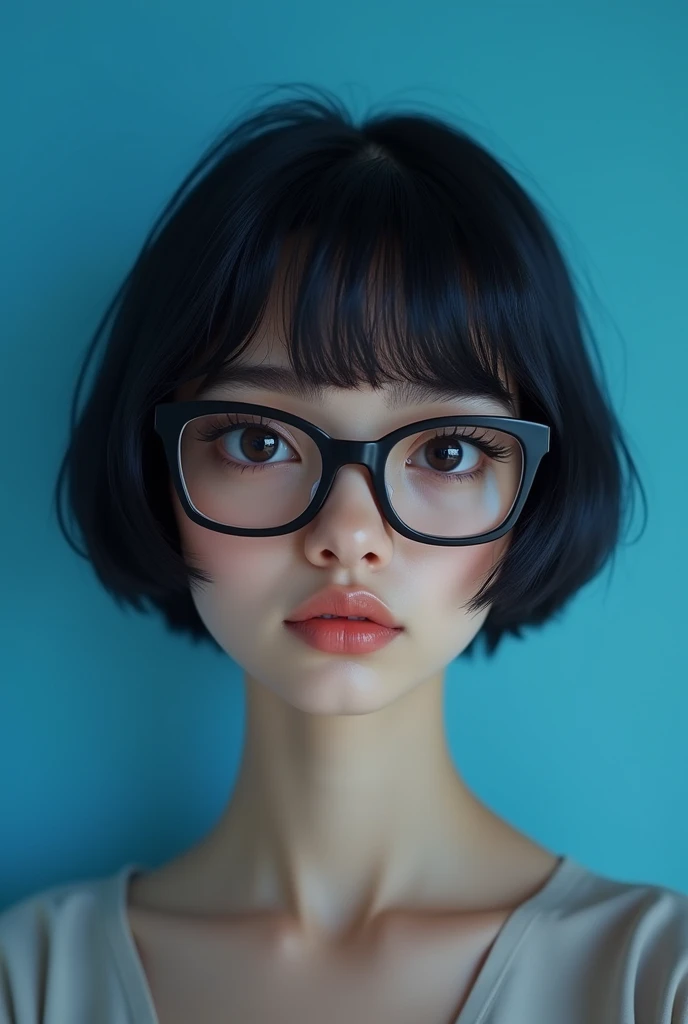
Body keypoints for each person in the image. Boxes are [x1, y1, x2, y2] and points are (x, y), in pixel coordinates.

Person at [1, 85, 686, 1024]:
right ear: (158, 468)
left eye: (447, 451)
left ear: (537, 495)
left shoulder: (658, 982)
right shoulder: (28, 981)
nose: (349, 536)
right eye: (258, 441)